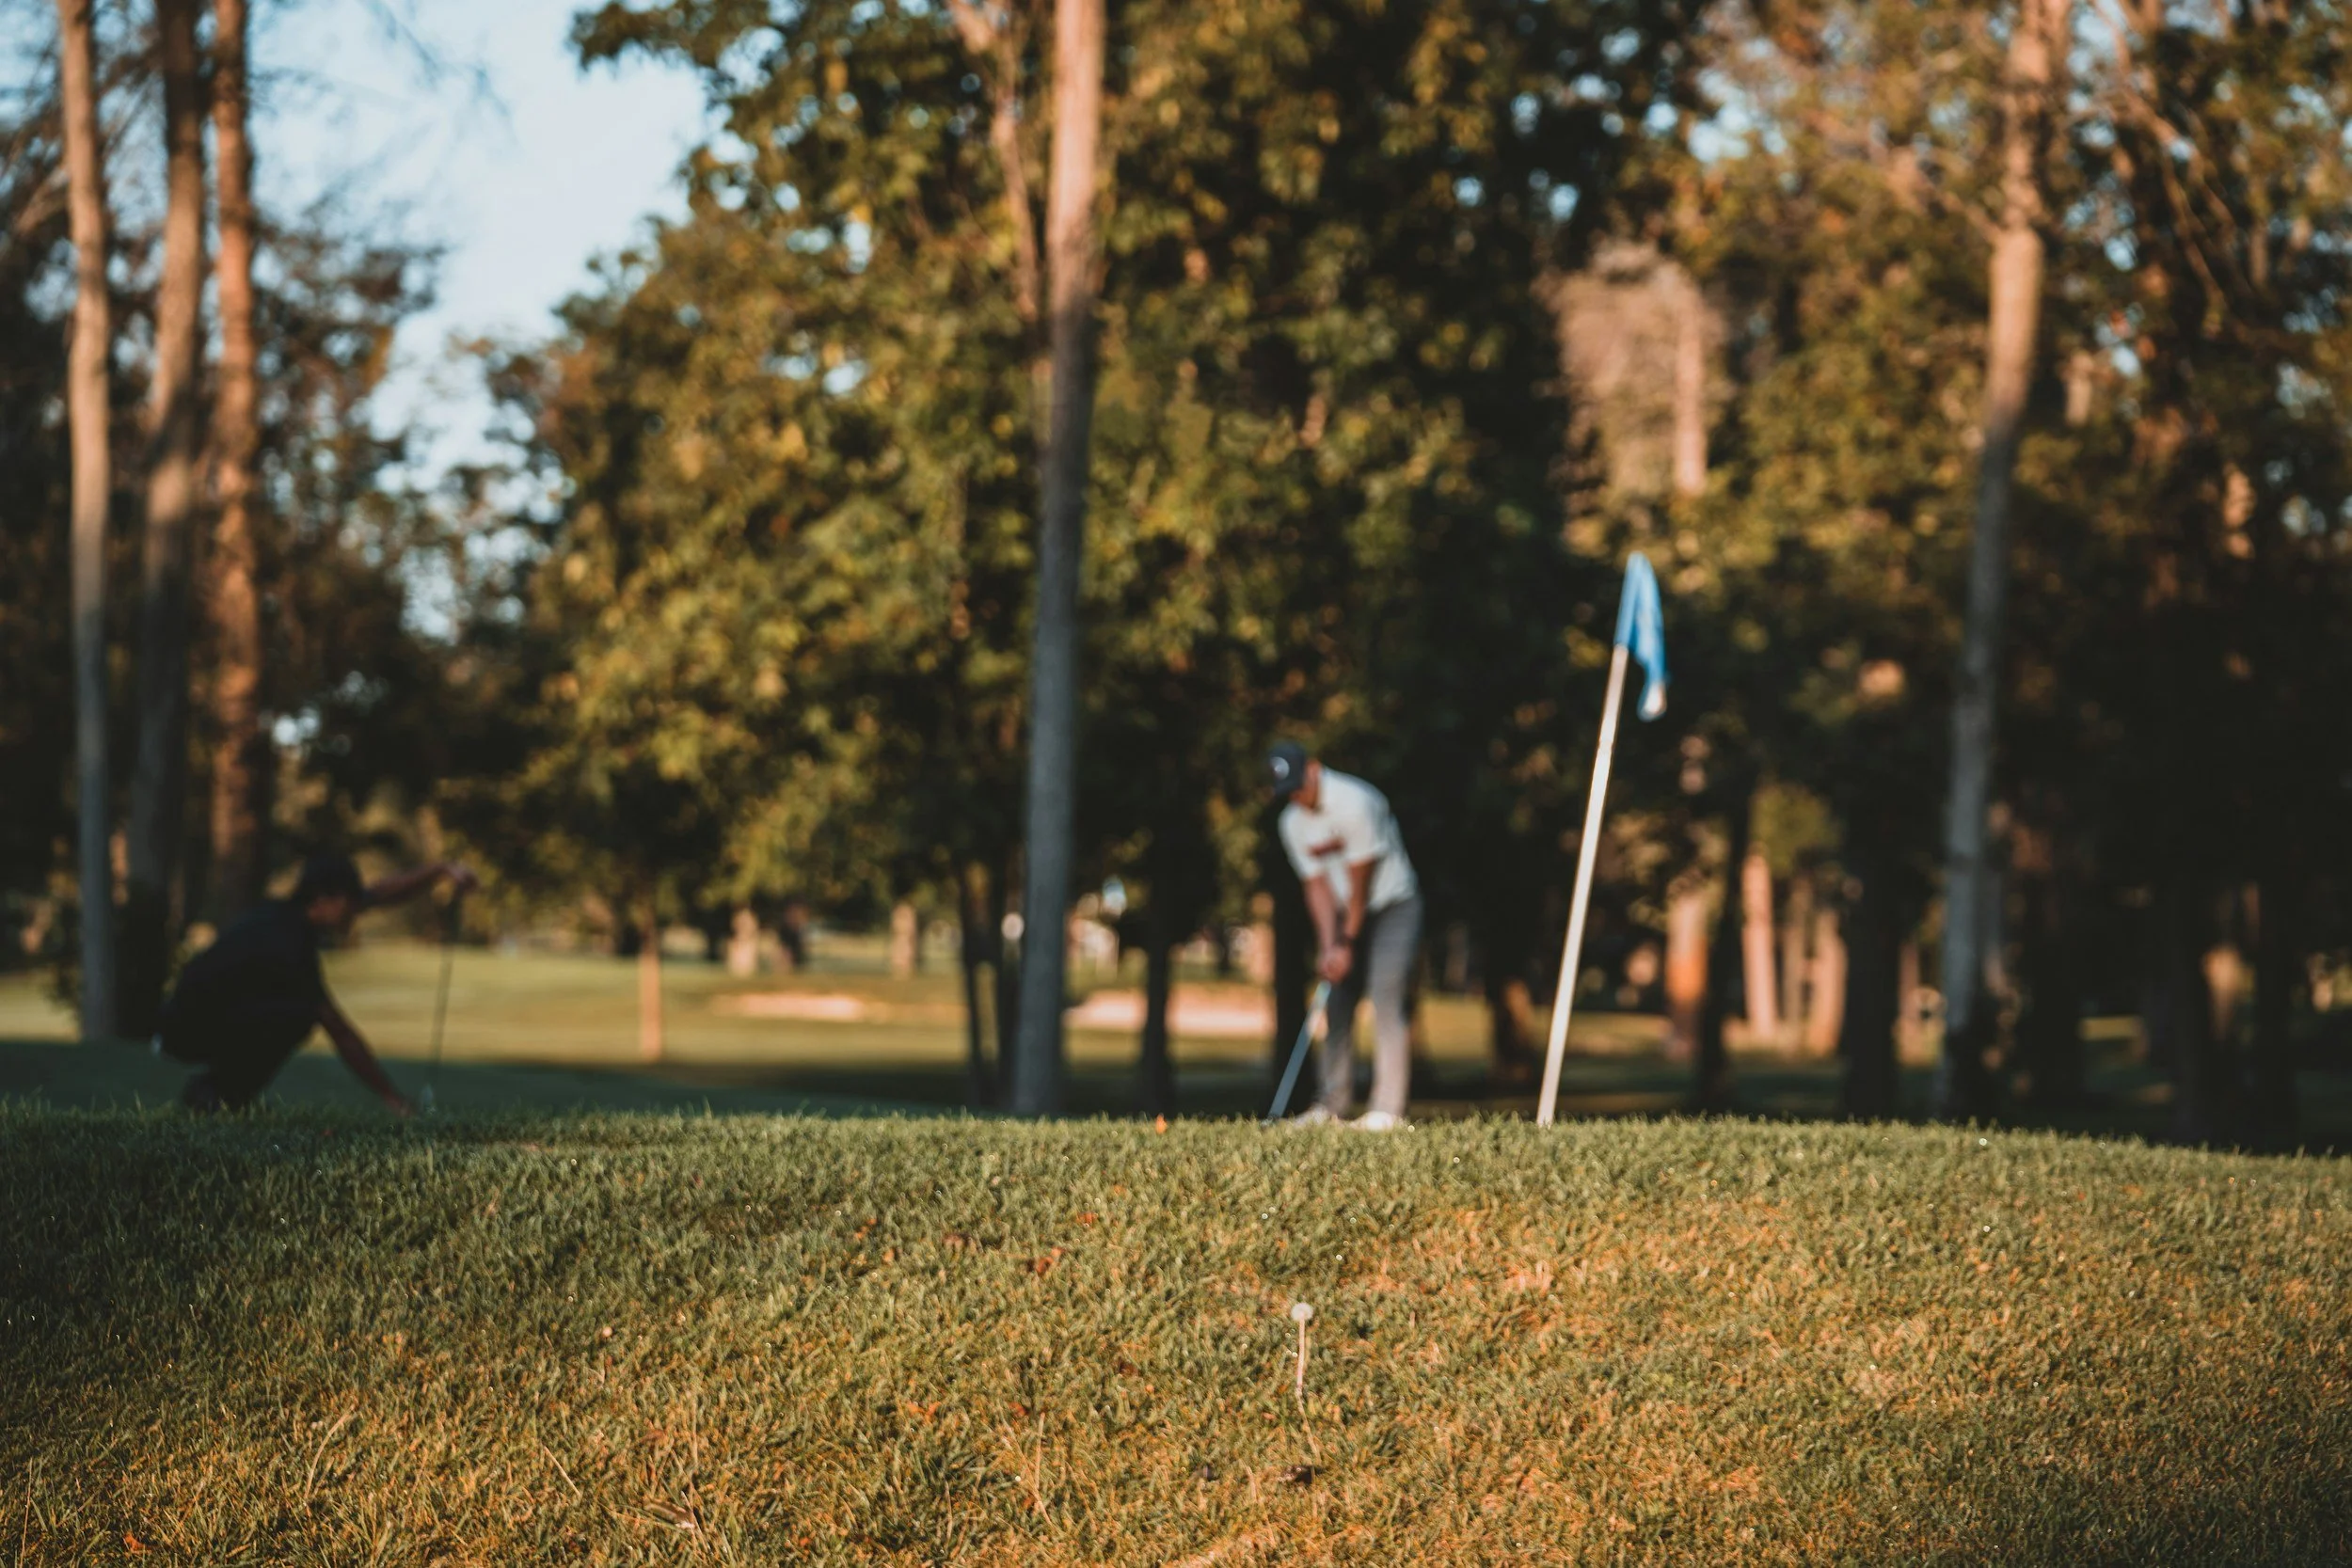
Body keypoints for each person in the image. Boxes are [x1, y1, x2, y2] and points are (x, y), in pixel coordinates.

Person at [158, 853, 475, 1114]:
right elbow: (337, 1028)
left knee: (293, 1010)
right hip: (187, 1028)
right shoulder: (288, 942)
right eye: (350, 903)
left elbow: (379, 893)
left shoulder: (291, 914)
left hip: (206, 1014)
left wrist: (441, 870)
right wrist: (392, 1098)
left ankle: (221, 1094)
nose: (354, 914)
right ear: (325, 899)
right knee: (300, 1015)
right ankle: (215, 1096)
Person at [1268, 741, 1423, 1130]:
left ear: (1314, 769)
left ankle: (1387, 1110)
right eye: (1288, 793)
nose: (1297, 799)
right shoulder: (1291, 823)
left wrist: (1347, 942)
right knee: (1337, 1002)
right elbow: (1316, 886)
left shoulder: (1356, 802)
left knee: (1385, 995)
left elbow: (1361, 883)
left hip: (1392, 905)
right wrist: (1328, 947)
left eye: (1299, 787)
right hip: (1345, 911)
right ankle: (1330, 1106)